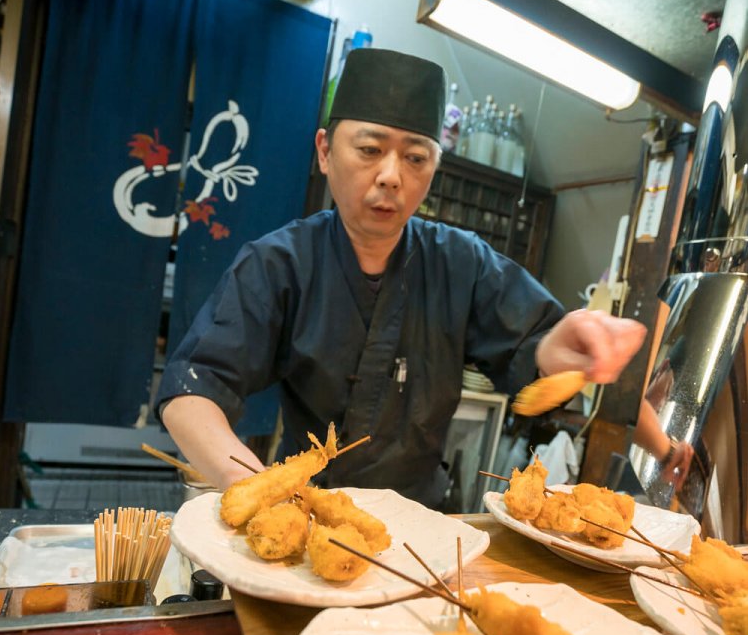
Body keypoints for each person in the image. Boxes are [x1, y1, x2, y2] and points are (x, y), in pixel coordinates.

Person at [156, 48, 645, 506]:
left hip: (421, 526)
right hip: (305, 509)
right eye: (369, 149)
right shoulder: (280, 262)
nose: (392, 175)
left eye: (415, 158)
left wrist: (558, 348)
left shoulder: (462, 263)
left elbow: (537, 342)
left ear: (434, 168)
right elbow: (191, 391)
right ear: (325, 151)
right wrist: (250, 486)